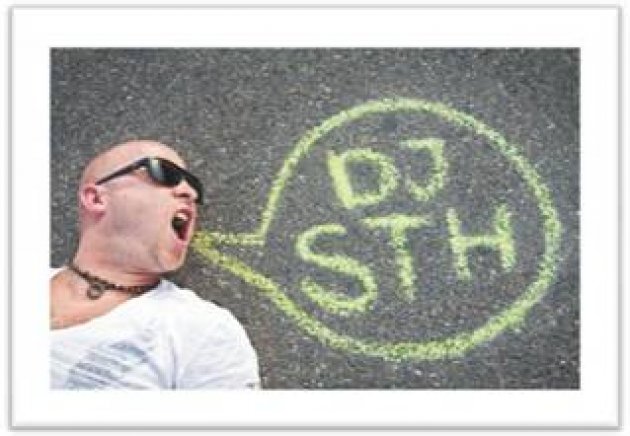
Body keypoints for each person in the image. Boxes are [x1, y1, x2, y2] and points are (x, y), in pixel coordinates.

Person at [50, 140, 260, 389]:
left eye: (196, 188)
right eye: (165, 173)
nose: (190, 193)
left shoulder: (201, 330)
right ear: (96, 198)